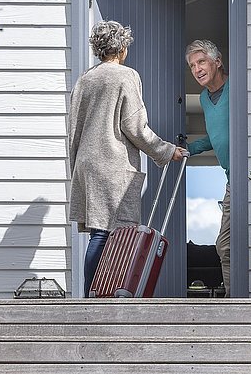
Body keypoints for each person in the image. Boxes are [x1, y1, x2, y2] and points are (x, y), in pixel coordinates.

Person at [69, 20, 186, 297]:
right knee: (107, 233)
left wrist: (76, 164)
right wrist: (167, 150)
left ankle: (98, 294)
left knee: (100, 230)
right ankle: (93, 298)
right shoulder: (126, 76)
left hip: (87, 164)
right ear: (121, 48)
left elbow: (73, 126)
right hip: (111, 163)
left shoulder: (85, 79)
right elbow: (135, 127)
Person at [185, 39, 231, 297]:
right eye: (192, 65)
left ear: (218, 61)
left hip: (249, 175)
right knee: (224, 246)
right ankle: (232, 301)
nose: (197, 69)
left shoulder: (236, 87)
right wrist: (187, 149)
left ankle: (234, 303)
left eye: (201, 62)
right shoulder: (204, 98)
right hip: (230, 180)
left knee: (225, 245)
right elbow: (215, 137)